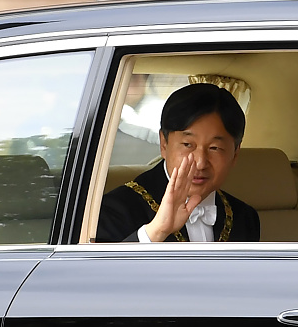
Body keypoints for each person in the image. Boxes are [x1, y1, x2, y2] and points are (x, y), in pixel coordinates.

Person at [97, 83, 260, 242]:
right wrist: (156, 232)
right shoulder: (115, 209)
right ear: (164, 144)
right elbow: (96, 269)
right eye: (188, 145)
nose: (200, 163)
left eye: (215, 148)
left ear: (235, 154)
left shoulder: (245, 217)